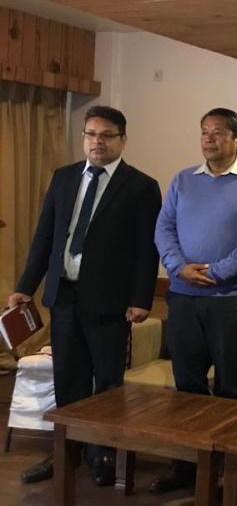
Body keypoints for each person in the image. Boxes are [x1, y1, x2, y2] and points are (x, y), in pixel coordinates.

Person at [8, 105, 161, 486]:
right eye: (91, 134)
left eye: (106, 135)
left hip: (109, 302)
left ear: (122, 139)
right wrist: (25, 287)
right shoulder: (64, 177)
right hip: (64, 297)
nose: (97, 142)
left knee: (106, 383)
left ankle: (101, 454)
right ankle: (66, 453)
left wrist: (141, 298)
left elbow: (146, 249)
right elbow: (44, 237)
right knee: (67, 380)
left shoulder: (141, 186)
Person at [148, 108, 237, 494]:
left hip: (230, 301)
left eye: (218, 132)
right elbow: (164, 227)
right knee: (188, 389)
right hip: (183, 299)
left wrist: (216, 271)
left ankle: (231, 475)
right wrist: (178, 267)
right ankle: (187, 469)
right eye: (204, 132)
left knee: (233, 390)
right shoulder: (183, 179)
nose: (209, 139)